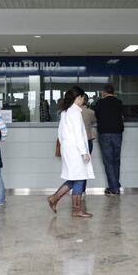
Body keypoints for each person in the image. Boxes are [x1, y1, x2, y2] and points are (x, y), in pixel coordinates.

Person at [47, 86, 95, 218]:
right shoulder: (74, 112)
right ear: (78, 97)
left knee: (74, 177)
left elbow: (60, 133)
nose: (83, 100)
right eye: (83, 97)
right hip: (75, 150)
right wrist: (84, 151)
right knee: (79, 177)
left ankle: (54, 199)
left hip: (69, 149)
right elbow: (78, 134)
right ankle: (77, 210)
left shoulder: (65, 112)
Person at [95, 84, 124, 195]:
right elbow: (122, 116)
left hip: (104, 134)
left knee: (108, 161)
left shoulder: (99, 103)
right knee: (116, 160)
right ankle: (115, 185)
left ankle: (114, 188)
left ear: (104, 92)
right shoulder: (119, 102)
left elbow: (96, 116)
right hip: (117, 133)